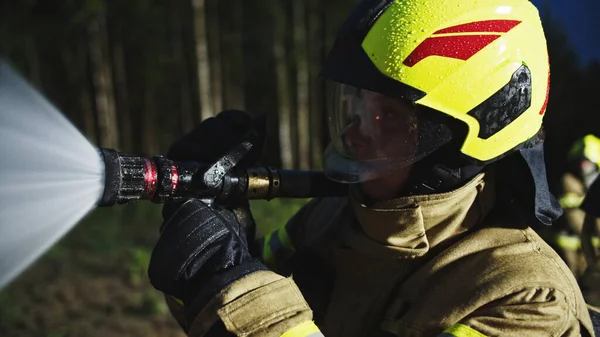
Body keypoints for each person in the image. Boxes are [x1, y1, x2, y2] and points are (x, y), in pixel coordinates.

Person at [147, 0, 598, 336]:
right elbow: (228, 308)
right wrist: (219, 242)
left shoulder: (528, 300)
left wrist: (234, 288)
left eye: (387, 116)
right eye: (356, 106)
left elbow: (249, 306)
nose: (355, 132)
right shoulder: (333, 217)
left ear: (462, 143)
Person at [538, 135, 600, 283]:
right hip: (568, 240)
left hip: (586, 243)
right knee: (570, 276)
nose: (586, 170)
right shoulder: (569, 181)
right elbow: (576, 220)